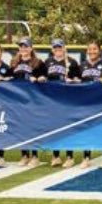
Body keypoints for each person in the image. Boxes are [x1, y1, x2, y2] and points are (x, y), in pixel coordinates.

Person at [42, 38, 82, 168]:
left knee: (68, 128)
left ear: (64, 48)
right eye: (55, 47)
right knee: (55, 127)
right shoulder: (47, 62)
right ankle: (56, 156)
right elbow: (43, 77)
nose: (58, 49)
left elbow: (79, 79)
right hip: (53, 99)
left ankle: (70, 156)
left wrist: (73, 80)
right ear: (52, 49)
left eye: (60, 47)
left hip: (67, 99)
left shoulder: (72, 62)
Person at [79, 41, 102, 168]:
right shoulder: (82, 65)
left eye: (95, 49)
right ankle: (86, 157)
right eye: (90, 49)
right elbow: (76, 80)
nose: (92, 51)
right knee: (87, 130)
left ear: (99, 50)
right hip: (87, 103)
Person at [10, 37, 45, 167]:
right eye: (21, 46)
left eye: (26, 46)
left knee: (33, 128)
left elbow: (44, 76)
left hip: (33, 99)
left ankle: (35, 156)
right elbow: (9, 78)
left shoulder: (38, 62)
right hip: (18, 100)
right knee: (21, 128)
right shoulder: (14, 62)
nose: (23, 49)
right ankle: (24, 155)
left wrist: (39, 78)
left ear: (31, 48)